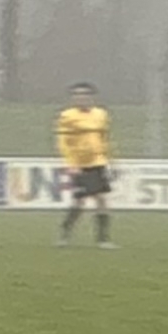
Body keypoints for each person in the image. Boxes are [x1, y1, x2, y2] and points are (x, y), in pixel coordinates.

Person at [53, 81, 116, 247]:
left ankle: (103, 239)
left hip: (98, 162)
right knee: (79, 202)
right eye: (78, 95)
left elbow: (104, 139)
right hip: (79, 164)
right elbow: (64, 142)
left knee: (101, 199)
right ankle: (65, 234)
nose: (81, 98)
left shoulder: (101, 114)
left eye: (85, 95)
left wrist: (110, 160)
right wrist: (70, 163)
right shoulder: (67, 116)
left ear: (92, 97)